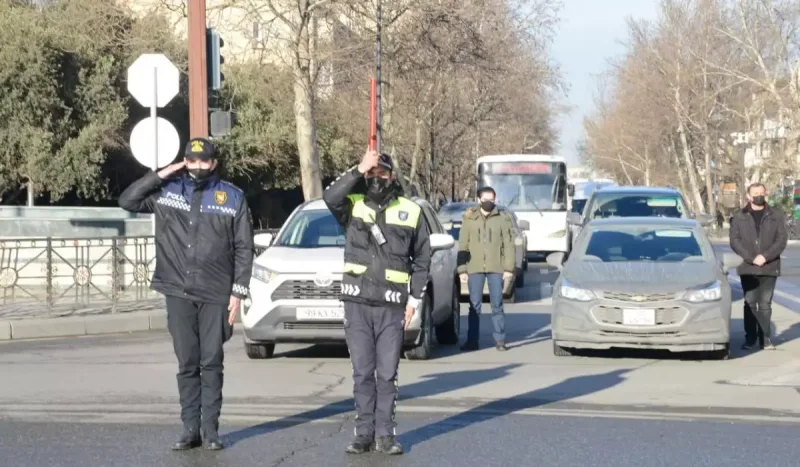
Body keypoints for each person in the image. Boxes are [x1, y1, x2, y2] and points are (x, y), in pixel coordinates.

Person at [118, 137, 254, 450]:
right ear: (184, 162)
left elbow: (244, 247)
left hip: (216, 292)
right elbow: (127, 200)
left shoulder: (232, 197)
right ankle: (190, 429)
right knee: (187, 362)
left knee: (212, 361)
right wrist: (162, 174)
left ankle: (211, 431)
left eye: (203, 161)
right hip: (177, 288)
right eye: (191, 161)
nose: (197, 166)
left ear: (214, 163)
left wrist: (238, 291)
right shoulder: (167, 190)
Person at [323, 150, 431, 456]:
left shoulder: (410, 210)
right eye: (372, 174)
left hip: (392, 305)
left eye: (381, 174)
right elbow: (329, 197)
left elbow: (422, 259)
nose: (376, 179)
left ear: (392, 176)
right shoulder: (353, 204)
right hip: (357, 302)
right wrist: (358, 168)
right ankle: (363, 434)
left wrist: (414, 299)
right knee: (362, 373)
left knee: (386, 375)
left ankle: (385, 435)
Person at [457, 186, 516, 352]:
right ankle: (472, 341)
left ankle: (500, 340)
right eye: (485, 199)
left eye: (491, 199)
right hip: (474, 267)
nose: (488, 202)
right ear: (479, 200)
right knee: (474, 306)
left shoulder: (502, 218)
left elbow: (509, 245)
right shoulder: (470, 218)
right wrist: (462, 269)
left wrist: (508, 268)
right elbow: (463, 244)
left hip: (496, 267)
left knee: (497, 304)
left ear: (495, 199)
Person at [730, 183, 788, 350]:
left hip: (769, 266)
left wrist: (765, 256)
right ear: (749, 196)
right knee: (750, 303)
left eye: (761, 193)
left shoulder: (776, 215)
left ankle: (766, 338)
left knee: (765, 304)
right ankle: (750, 338)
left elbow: (781, 240)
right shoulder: (739, 216)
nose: (759, 196)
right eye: (755, 193)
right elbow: (735, 240)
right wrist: (751, 258)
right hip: (748, 266)